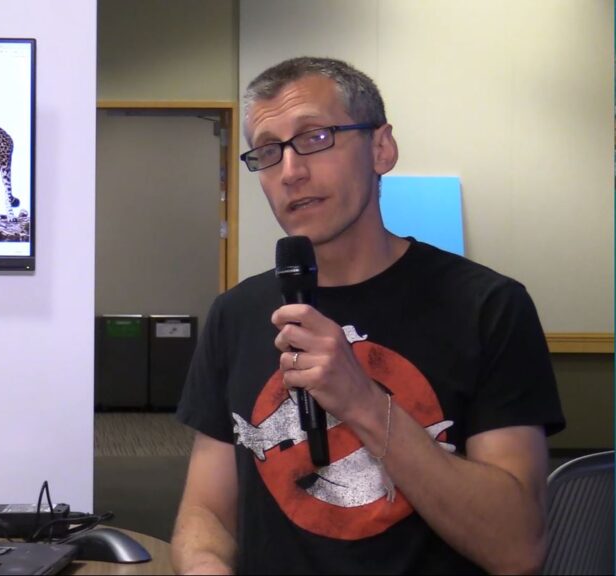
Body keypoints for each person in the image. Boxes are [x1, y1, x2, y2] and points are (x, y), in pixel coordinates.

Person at [171, 56, 566, 575]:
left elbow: (517, 549)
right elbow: (206, 514)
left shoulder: (488, 308)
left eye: (315, 137)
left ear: (381, 148)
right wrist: (204, 565)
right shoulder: (236, 315)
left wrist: (359, 399)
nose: (291, 171)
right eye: (268, 151)